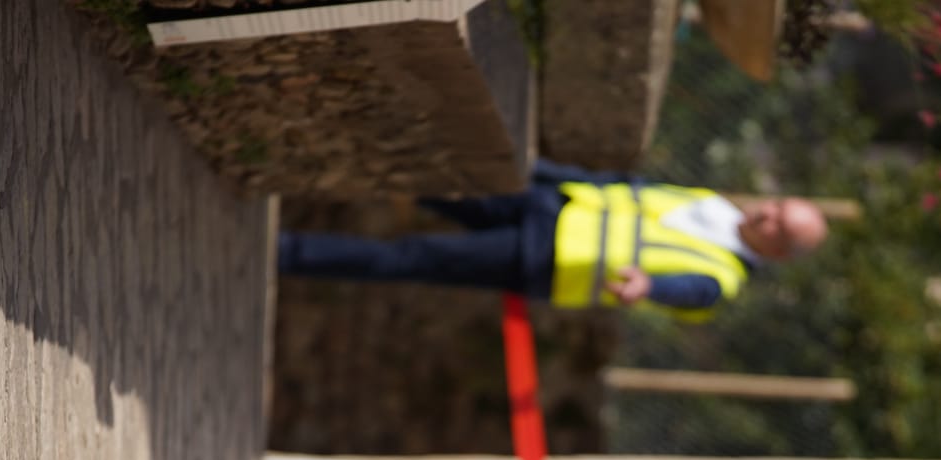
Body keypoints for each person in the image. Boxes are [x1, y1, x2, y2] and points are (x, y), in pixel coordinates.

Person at [277, 160, 830, 321]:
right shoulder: (714, 202)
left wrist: (650, 285)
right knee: (428, 176)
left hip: (543, 257)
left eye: (782, 224)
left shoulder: (723, 280)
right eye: (780, 205)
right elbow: (620, 188)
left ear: (781, 251)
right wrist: (539, 170)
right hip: (548, 203)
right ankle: (296, 168)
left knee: (411, 257)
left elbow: (690, 291)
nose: (770, 212)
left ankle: (285, 252)